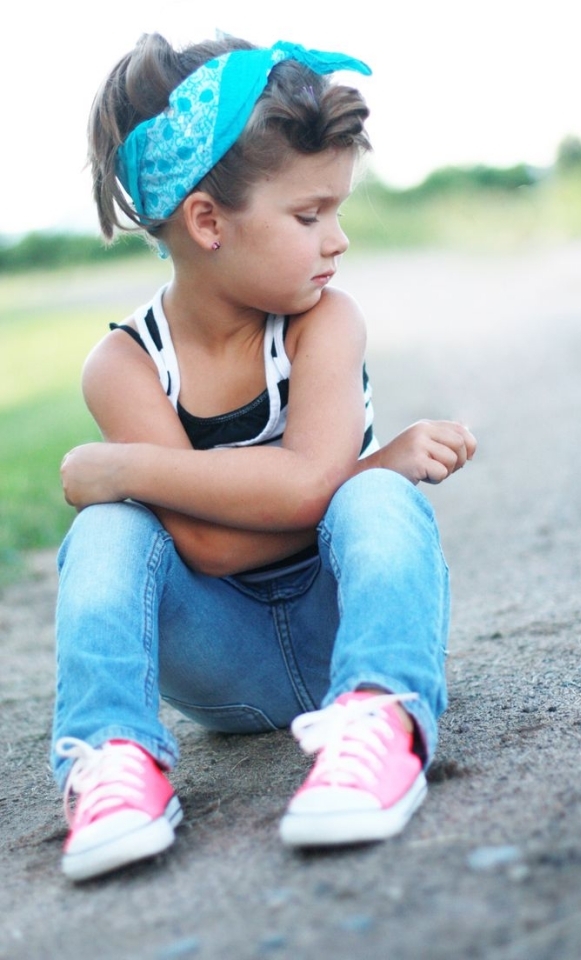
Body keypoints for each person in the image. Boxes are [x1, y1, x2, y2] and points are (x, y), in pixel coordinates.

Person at [52, 30, 477, 883]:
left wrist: (122, 470)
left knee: (377, 504)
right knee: (106, 534)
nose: (338, 240)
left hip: (338, 632)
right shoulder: (128, 365)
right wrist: (363, 466)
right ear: (207, 222)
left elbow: (307, 486)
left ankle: (380, 719)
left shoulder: (325, 321)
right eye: (309, 214)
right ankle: (113, 764)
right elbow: (209, 549)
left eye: (338, 209)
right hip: (223, 668)